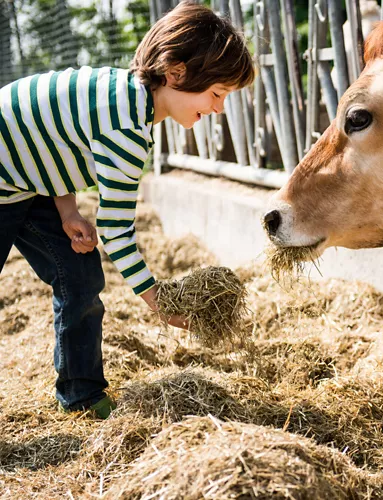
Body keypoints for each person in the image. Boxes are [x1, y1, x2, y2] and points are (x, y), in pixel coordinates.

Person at [0, 1, 255, 418]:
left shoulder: (123, 95)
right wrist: (160, 302)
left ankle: (81, 396)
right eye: (216, 94)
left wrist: (67, 211)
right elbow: (117, 231)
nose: (218, 109)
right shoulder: (127, 131)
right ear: (176, 73)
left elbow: (53, 143)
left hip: (26, 180)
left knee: (79, 276)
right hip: (5, 178)